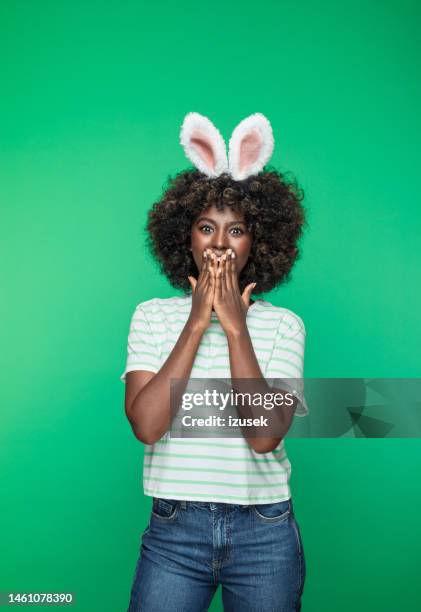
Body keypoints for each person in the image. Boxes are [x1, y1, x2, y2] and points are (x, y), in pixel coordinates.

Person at [120, 112, 309, 611]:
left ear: (258, 242)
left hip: (263, 534)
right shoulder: (152, 318)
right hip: (174, 533)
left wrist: (234, 326)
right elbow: (146, 425)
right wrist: (196, 322)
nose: (220, 244)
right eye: (206, 227)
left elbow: (265, 436)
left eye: (237, 230)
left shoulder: (284, 326)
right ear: (185, 237)